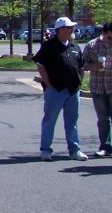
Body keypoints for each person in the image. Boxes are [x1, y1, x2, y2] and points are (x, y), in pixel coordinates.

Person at [34, 16, 87, 161]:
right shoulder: (49, 46)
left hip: (73, 90)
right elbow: (41, 66)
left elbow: (82, 67)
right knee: (50, 120)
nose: (72, 29)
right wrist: (49, 84)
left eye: (72, 27)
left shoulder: (74, 46)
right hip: (55, 90)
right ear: (61, 29)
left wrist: (79, 83)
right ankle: (45, 150)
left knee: (72, 121)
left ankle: (74, 150)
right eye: (70, 27)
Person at [81, 22, 112, 158]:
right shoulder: (92, 45)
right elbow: (82, 64)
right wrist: (93, 66)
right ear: (104, 33)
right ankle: (105, 147)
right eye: (110, 38)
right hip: (98, 87)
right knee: (103, 119)